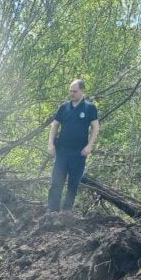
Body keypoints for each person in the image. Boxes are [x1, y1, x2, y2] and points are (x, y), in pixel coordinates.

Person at [47, 79, 99, 212]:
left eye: (75, 91)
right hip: (62, 151)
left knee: (73, 184)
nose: (72, 94)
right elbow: (54, 125)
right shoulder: (64, 107)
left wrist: (89, 146)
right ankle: (52, 212)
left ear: (82, 91)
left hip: (79, 153)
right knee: (56, 182)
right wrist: (51, 144)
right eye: (70, 91)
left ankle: (66, 213)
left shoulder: (90, 108)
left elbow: (95, 127)